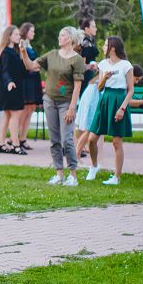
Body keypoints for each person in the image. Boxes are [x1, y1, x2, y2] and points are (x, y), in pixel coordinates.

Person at [21, 26, 85, 185]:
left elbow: (77, 86)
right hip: (49, 101)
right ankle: (59, 174)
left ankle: (73, 175)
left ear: (70, 39)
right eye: (60, 35)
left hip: (66, 103)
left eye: (62, 35)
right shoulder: (52, 55)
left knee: (67, 140)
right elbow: (30, 66)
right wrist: (23, 53)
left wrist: (72, 108)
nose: (59, 37)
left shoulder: (77, 59)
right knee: (54, 139)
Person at [82, 37, 135, 185]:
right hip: (105, 101)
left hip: (119, 100)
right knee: (92, 138)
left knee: (117, 142)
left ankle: (116, 176)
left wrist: (122, 108)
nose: (103, 47)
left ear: (113, 48)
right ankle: (94, 166)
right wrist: (104, 78)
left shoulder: (126, 65)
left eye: (106, 45)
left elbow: (131, 90)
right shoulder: (103, 64)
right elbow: (99, 88)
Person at [0, 25, 27, 155]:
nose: (19, 36)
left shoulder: (14, 51)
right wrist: (9, 82)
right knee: (14, 114)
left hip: (14, 86)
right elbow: (5, 71)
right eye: (16, 34)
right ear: (9, 36)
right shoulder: (6, 53)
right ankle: (15, 144)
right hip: (9, 87)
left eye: (19, 34)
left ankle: (0, 143)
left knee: (8, 115)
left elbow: (22, 69)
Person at [74, 17, 101, 161]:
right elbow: (81, 64)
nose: (95, 28)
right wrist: (91, 66)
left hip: (88, 75)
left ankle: (81, 144)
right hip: (84, 78)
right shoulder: (84, 42)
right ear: (86, 28)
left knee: (83, 111)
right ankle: (78, 144)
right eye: (93, 26)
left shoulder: (89, 41)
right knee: (83, 111)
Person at [16, 22, 41, 151]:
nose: (34, 33)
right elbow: (22, 62)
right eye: (32, 31)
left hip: (34, 79)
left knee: (31, 108)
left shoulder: (30, 45)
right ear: (25, 31)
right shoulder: (21, 44)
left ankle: (23, 138)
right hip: (26, 79)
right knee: (24, 109)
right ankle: (15, 137)